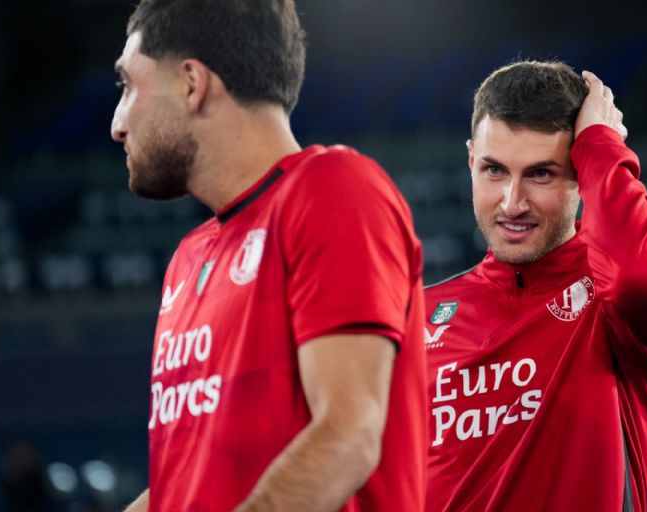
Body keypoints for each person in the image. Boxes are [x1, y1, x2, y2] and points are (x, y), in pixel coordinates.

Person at [110, 1, 427, 511]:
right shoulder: (188, 258)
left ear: (191, 83)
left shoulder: (333, 190)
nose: (117, 124)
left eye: (127, 86)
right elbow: (185, 488)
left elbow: (347, 436)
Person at [424, 60, 647, 511]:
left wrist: (600, 145)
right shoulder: (419, 315)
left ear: (581, 172)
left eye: (541, 173)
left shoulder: (616, 307)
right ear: (471, 160)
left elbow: (644, 284)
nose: (512, 203)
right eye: (494, 170)